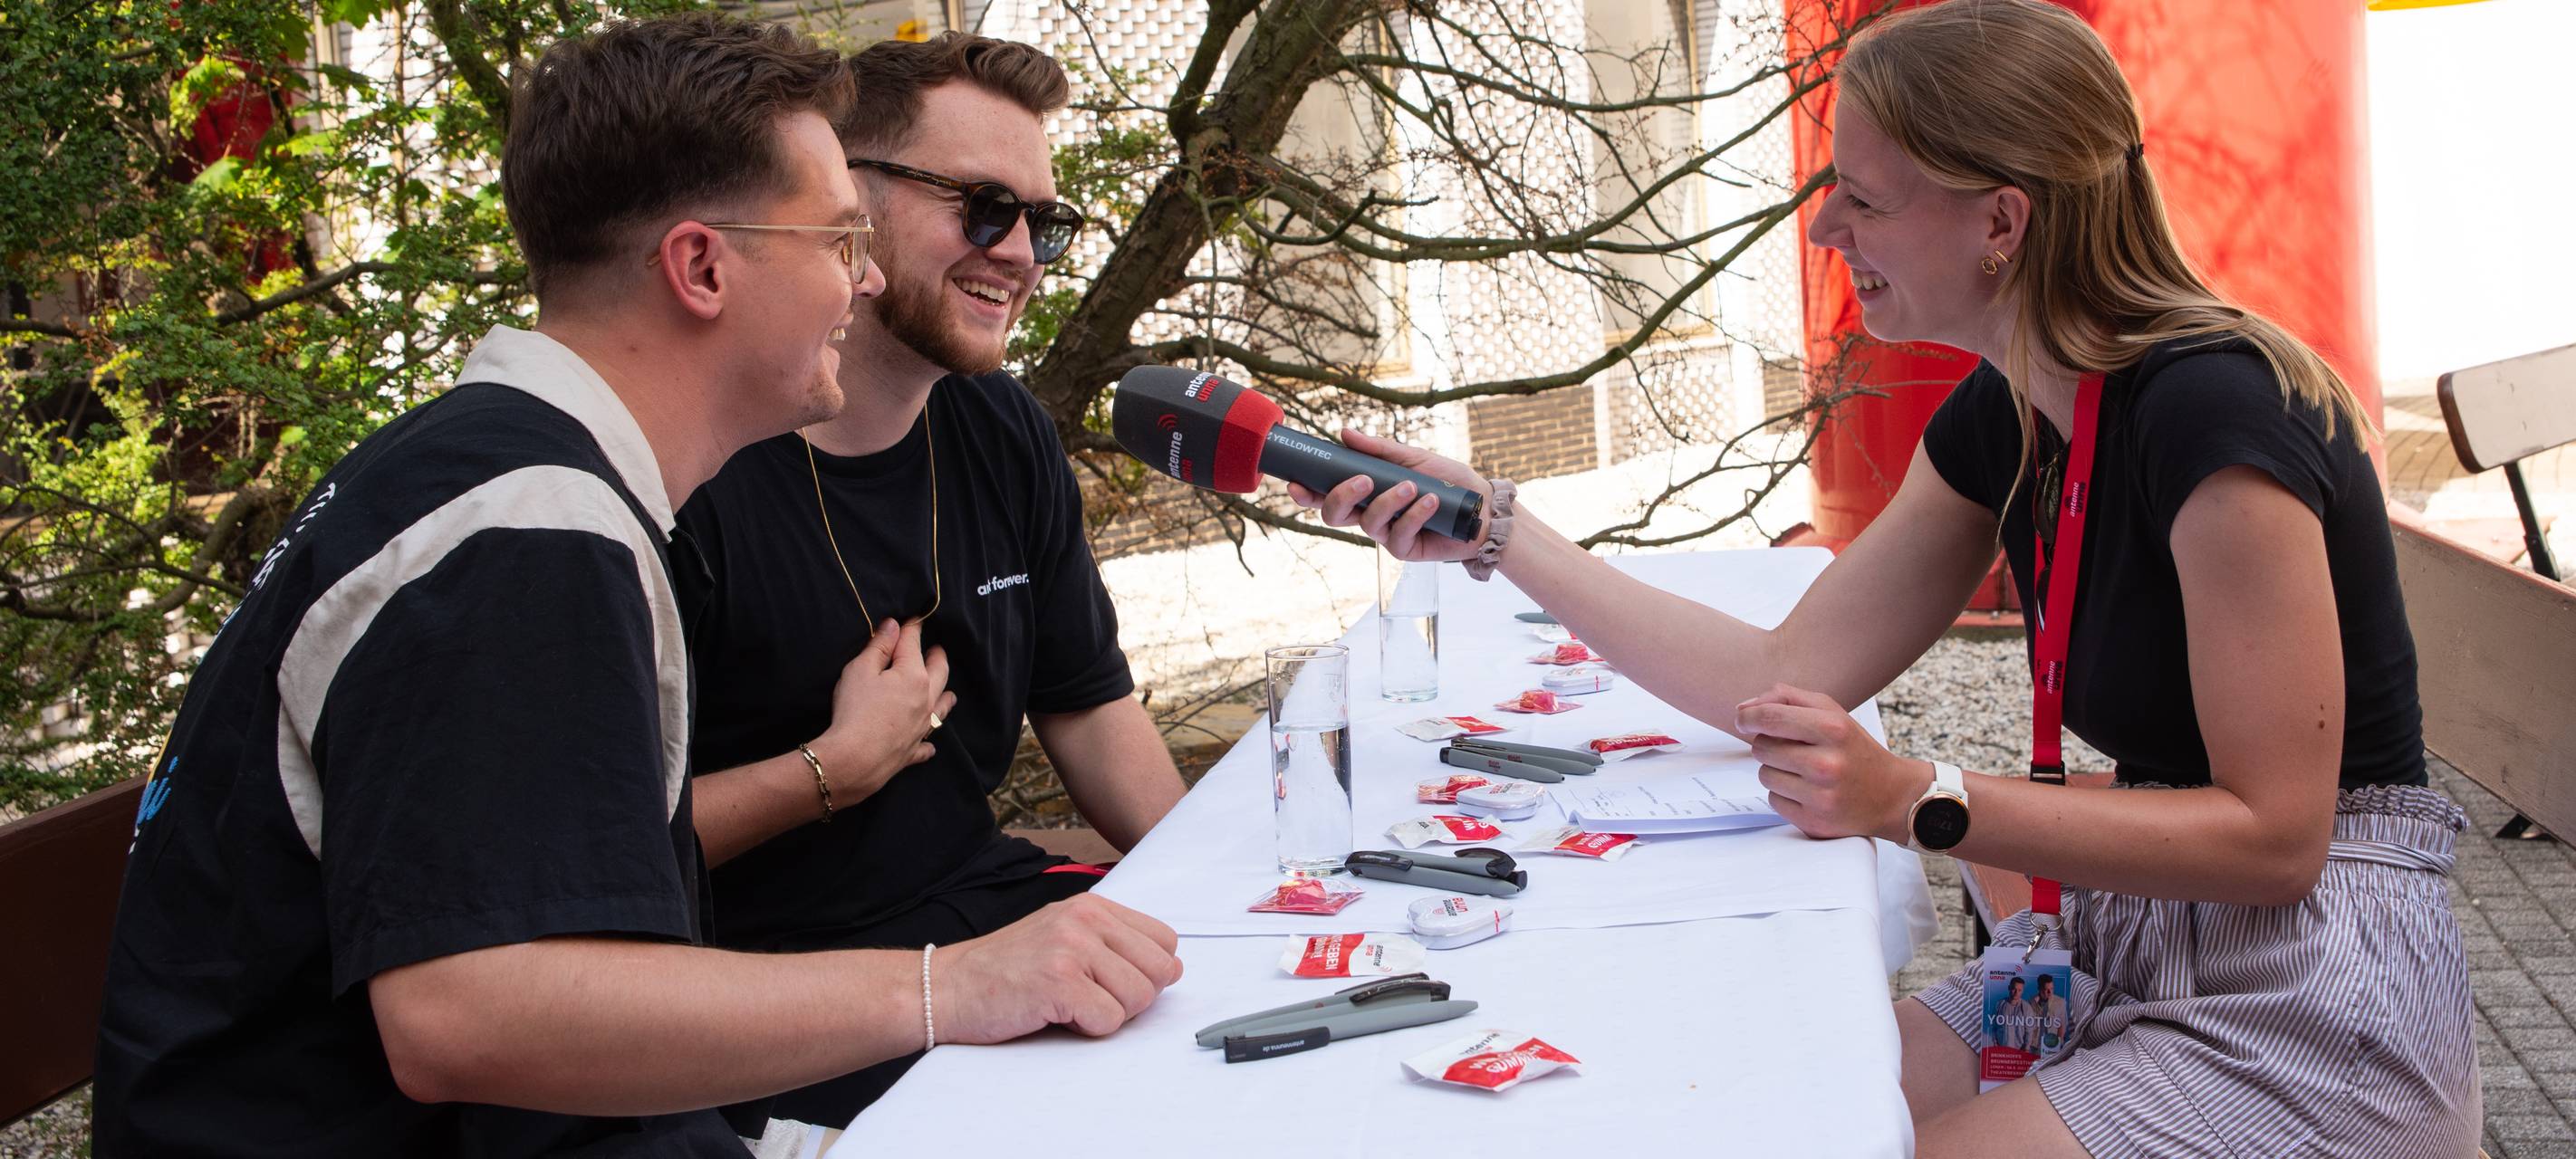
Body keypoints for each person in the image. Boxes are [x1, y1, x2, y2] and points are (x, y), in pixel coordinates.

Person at [1292, 2, 2476, 1155]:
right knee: (1778, 1110)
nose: (1825, 232)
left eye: (1862, 199)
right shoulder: (2011, 409)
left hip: (2311, 991)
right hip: (2128, 938)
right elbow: (1783, 671)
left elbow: (2278, 840)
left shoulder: (2218, 416)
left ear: (2001, 220)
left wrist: (1918, 797)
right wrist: (1497, 531)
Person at [92, 14, 1178, 1155]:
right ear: (701, 267)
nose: (860, 279)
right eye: (835, 240)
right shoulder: (525, 528)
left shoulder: (520, 480)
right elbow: (465, 1013)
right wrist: (949, 985)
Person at [677, 31, 1187, 1123]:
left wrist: (1234, 892)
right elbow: (603, 846)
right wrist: (828, 768)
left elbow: (1090, 706)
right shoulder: (694, 471)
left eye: (1044, 223)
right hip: (776, 996)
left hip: (985, 916)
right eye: (985, 209)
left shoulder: (1001, 427)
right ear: (845, 201)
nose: (1023, 255)